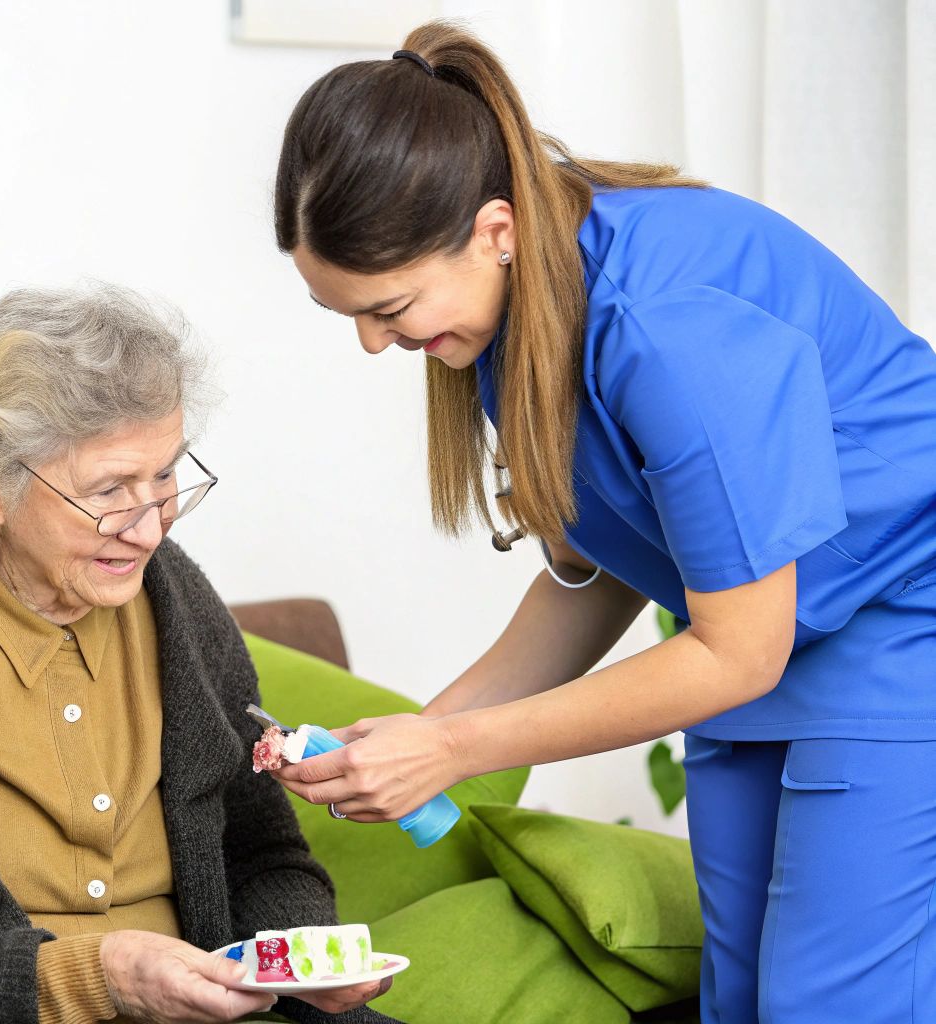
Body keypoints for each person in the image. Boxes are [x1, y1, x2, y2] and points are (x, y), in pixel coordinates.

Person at [267, 19, 936, 1024]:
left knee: (824, 1005)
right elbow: (592, 576)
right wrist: (421, 733)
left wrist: (454, 753)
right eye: (346, 314)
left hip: (894, 623)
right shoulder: (509, 321)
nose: (373, 342)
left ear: (491, 229)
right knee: (742, 998)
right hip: (755, 639)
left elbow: (739, 649)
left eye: (388, 305)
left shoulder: (664, 335)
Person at [0, 284, 396, 1024]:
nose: (149, 530)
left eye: (165, 474)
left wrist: (301, 962)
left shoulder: (174, 596)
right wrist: (97, 975)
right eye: (110, 489)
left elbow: (262, 856)